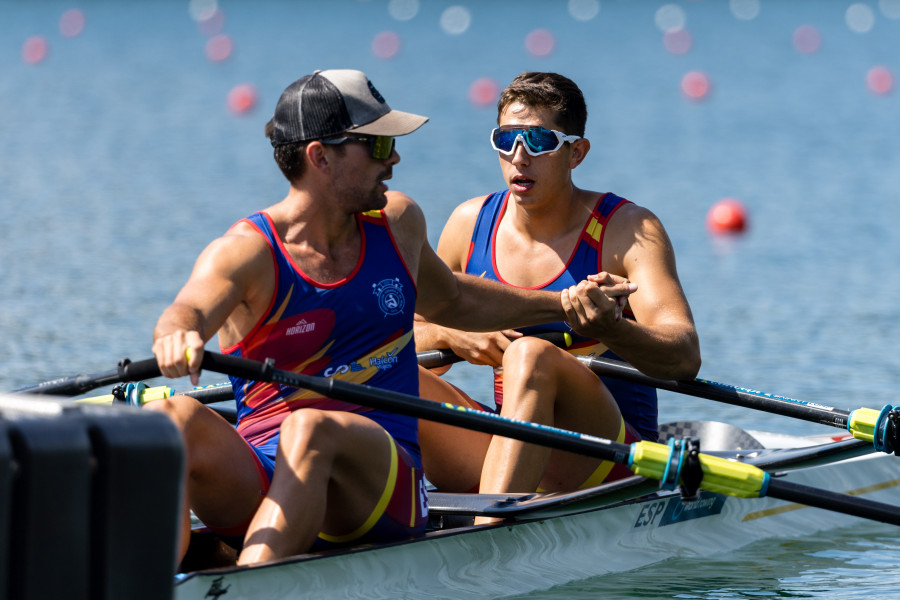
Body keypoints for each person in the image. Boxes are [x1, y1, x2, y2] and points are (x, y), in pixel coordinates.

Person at [148, 69, 634, 566]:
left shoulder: (397, 225)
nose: (396, 159)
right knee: (171, 419)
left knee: (312, 429)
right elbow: (186, 311)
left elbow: (456, 301)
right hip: (264, 471)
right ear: (321, 157)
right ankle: (146, 577)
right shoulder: (244, 254)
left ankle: (252, 580)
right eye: (379, 148)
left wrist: (562, 303)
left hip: (382, 486)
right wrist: (177, 336)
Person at [415, 72, 701, 518]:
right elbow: (395, 332)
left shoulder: (628, 230)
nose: (519, 156)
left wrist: (614, 329)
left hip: (608, 462)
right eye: (506, 139)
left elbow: (684, 356)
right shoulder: (469, 224)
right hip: (508, 455)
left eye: (538, 140)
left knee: (530, 356)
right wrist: (447, 335)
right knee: (391, 376)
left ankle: (486, 535)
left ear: (576, 153)